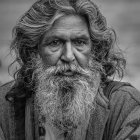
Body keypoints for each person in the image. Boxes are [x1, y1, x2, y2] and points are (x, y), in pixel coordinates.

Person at [0, 0, 140, 140]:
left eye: (80, 42)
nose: (68, 56)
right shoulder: (4, 105)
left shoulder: (125, 105)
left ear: (95, 50)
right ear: (33, 51)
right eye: (55, 43)